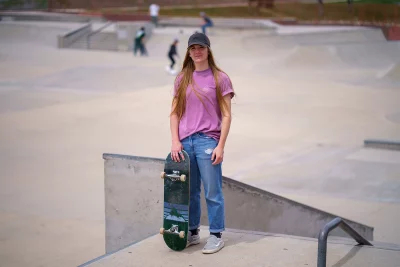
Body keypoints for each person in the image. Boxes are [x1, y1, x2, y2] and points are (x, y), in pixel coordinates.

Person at [169, 32, 234, 254]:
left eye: (201, 47)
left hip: (208, 141)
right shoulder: (182, 78)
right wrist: (175, 141)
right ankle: (193, 233)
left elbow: (226, 115)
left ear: (208, 50)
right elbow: (174, 113)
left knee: (212, 191)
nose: (197, 51)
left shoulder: (220, 78)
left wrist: (221, 145)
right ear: (188, 52)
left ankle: (216, 235)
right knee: (190, 192)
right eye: (193, 48)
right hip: (185, 143)